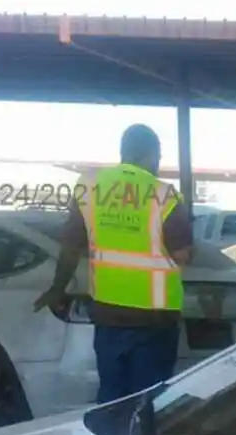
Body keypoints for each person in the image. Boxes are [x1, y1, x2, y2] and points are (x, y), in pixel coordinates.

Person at [35, 123, 195, 403]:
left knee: (112, 399)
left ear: (124, 152)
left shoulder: (90, 188)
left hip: (108, 317)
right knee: (148, 404)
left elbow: (71, 245)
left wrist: (57, 288)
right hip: (154, 320)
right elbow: (183, 255)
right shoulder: (164, 196)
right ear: (152, 155)